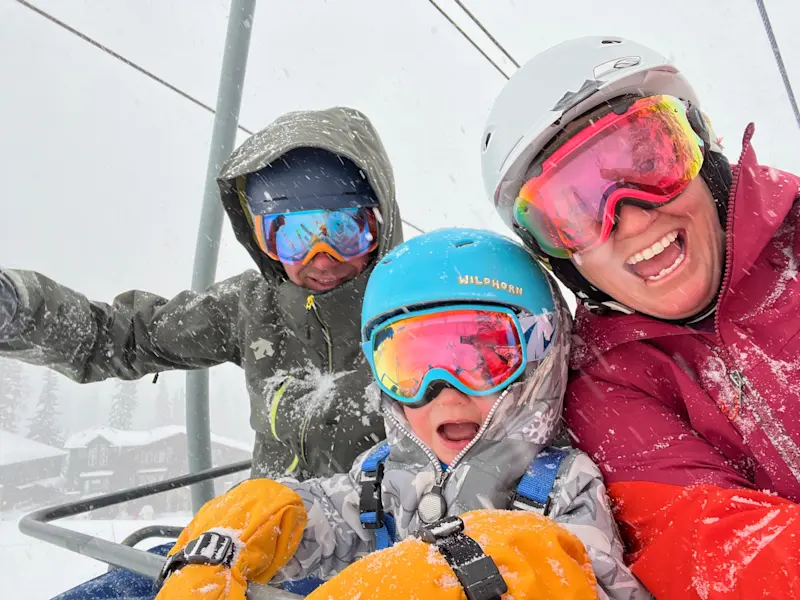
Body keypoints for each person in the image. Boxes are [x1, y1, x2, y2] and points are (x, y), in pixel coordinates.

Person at [153, 228, 651, 600]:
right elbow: (326, 515)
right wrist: (237, 533)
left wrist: (474, 572)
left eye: (483, 357)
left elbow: (587, 575)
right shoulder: (384, 475)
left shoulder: (562, 484)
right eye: (410, 366)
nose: (444, 391)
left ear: (540, 357)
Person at [481, 35, 800, 598]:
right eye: (573, 211)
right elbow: (714, 548)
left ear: (704, 153)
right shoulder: (603, 387)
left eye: (650, 159)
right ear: (562, 258)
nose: (627, 218)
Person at [0, 106, 403, 480]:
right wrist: (18, 308)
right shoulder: (254, 307)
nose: (321, 258)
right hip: (275, 534)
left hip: (396, 541)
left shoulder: (420, 307)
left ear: (380, 226)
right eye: (293, 237)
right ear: (261, 238)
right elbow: (126, 337)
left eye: (345, 230)